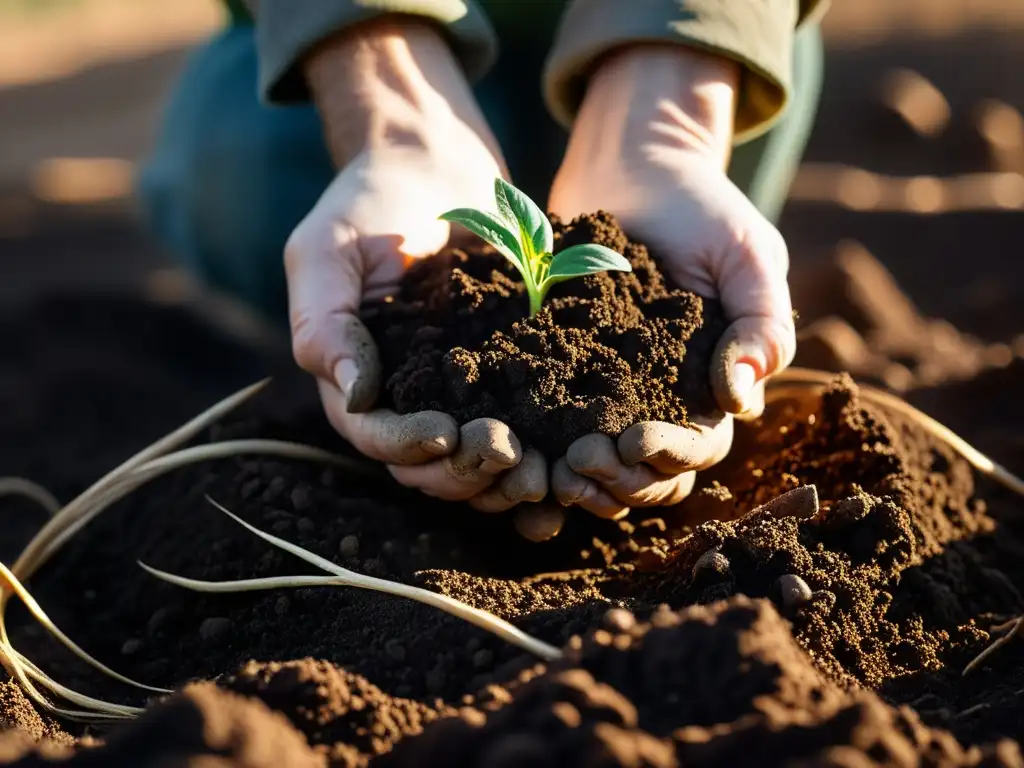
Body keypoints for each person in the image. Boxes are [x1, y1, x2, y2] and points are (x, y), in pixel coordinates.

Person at [138, 0, 827, 536]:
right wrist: (391, 114)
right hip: (399, 30)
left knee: (720, 141)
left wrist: (669, 119)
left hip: (659, 39)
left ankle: (639, 95)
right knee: (246, 173)